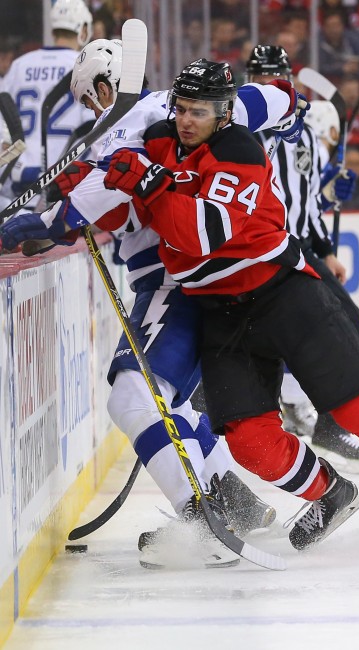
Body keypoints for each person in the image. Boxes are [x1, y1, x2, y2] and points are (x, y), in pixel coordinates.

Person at [78, 59, 359, 557]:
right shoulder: (160, 138)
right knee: (249, 440)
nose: (185, 120)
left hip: (281, 291)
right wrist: (85, 179)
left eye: (198, 111)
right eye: (181, 108)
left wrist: (145, 181)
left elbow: (202, 234)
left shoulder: (240, 148)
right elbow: (116, 190)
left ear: (224, 114)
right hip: (220, 315)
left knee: (358, 406)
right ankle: (330, 493)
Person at [0, 44, 310, 567]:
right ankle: (236, 505)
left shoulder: (130, 137)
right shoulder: (189, 110)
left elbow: (57, 224)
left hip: (175, 286)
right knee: (175, 405)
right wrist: (289, 99)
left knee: (133, 400)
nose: (91, 116)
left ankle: (203, 527)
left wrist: (20, 226)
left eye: (89, 102)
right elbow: (274, 100)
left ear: (104, 88)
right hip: (213, 284)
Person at [245, 45, 359, 475]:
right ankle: (274, 420)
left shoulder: (304, 133)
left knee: (350, 323)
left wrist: (328, 241)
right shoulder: (242, 133)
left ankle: (328, 423)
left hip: (300, 247)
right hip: (264, 248)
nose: (267, 86)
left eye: (274, 77)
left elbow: (310, 203)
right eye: (259, 79)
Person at [0, 0, 92, 208]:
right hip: (66, 185)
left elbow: (3, 127)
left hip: (17, 188)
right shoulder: (86, 65)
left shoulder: (19, 65)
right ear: (83, 29)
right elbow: (93, 131)